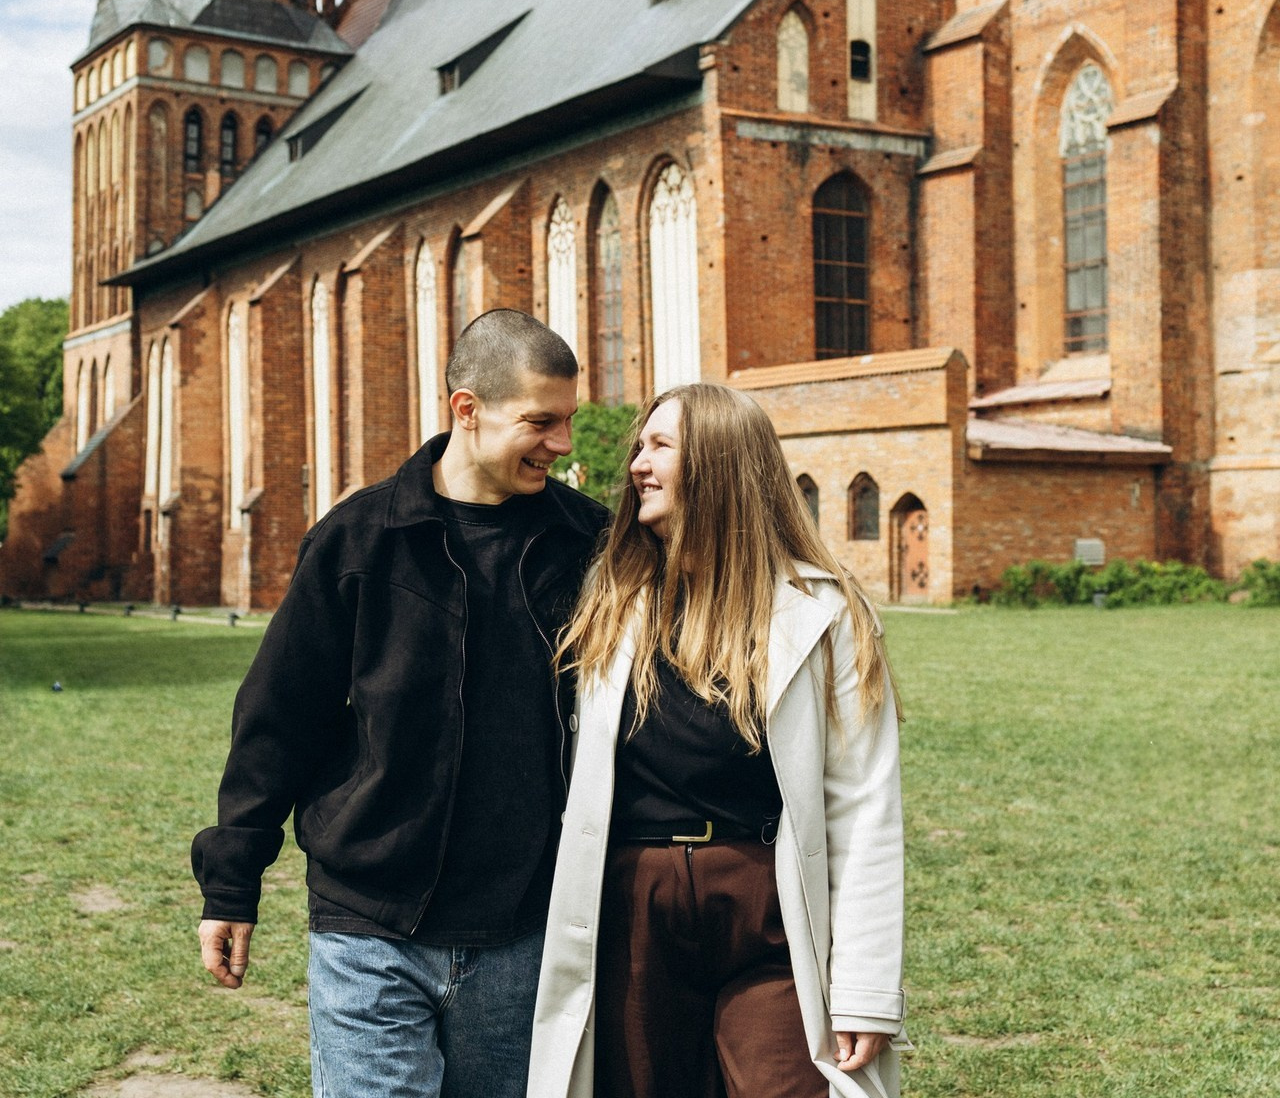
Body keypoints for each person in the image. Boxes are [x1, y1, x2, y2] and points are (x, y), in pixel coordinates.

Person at [192, 308, 609, 1098]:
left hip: (523, 930)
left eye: (568, 421)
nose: (561, 443)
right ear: (467, 409)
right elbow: (279, 719)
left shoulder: (588, 543)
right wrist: (231, 883)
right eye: (540, 422)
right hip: (368, 927)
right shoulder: (358, 540)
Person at [527, 383, 907, 1098]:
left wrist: (866, 989)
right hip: (633, 907)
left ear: (719, 464)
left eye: (660, 446)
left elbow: (864, 805)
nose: (637, 464)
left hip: (769, 908)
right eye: (639, 446)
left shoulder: (822, 614)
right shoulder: (610, 600)